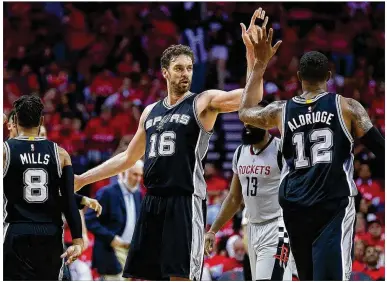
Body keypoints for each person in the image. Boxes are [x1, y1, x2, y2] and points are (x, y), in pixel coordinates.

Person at [74, 8, 268, 281]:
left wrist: (253, 61)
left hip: (184, 200)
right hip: (152, 200)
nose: (185, 74)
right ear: (165, 72)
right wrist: (83, 178)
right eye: (178, 69)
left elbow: (252, 97)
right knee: (142, 276)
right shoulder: (149, 111)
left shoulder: (202, 101)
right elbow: (128, 158)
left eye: (189, 68)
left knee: (181, 277)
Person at [238, 26, 384, 280]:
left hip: (295, 206)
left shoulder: (281, 110)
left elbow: (244, 113)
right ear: (328, 75)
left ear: (298, 77)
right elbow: (380, 148)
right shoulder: (347, 107)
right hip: (331, 204)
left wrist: (259, 65)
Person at [204, 109, 296, 281]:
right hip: (252, 229)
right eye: (245, 122)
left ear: (267, 123)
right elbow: (233, 198)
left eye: (252, 122)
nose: (247, 126)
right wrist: (213, 230)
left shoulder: (281, 150)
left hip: (277, 226)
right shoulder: (240, 152)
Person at [3, 95, 84, 280]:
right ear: (41, 120)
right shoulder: (61, 154)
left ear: (15, 120)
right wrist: (78, 241)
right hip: (51, 233)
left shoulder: (4, 152)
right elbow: (69, 200)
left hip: (17, 230)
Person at [85, 161, 144, 280]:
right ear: (122, 172)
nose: (138, 179)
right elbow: (89, 219)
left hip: (130, 251)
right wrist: (110, 238)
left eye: (140, 175)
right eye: (134, 174)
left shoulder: (138, 194)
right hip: (112, 251)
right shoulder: (107, 193)